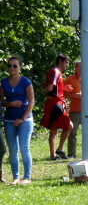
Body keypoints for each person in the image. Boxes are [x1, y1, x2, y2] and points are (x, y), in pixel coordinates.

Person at [0, 56, 35, 184]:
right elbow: (2, 102)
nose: (12, 68)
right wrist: (11, 104)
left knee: (24, 147)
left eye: (15, 66)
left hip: (25, 119)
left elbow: (31, 102)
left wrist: (22, 118)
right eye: (10, 66)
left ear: (20, 67)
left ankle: (27, 177)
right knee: (13, 149)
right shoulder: (3, 82)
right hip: (9, 119)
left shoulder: (26, 82)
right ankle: (16, 177)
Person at [41, 54, 73, 160]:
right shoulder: (55, 72)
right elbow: (50, 88)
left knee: (58, 128)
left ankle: (57, 151)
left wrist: (64, 89)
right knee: (66, 126)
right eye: (66, 62)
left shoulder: (57, 73)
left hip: (58, 102)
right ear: (60, 61)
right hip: (55, 103)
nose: (67, 65)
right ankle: (55, 153)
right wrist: (42, 90)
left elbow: (53, 88)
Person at [65, 61, 88, 159]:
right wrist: (73, 95)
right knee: (72, 132)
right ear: (76, 68)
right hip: (75, 110)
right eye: (80, 67)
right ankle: (71, 153)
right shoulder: (70, 79)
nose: (82, 69)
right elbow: (64, 93)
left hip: (87, 110)